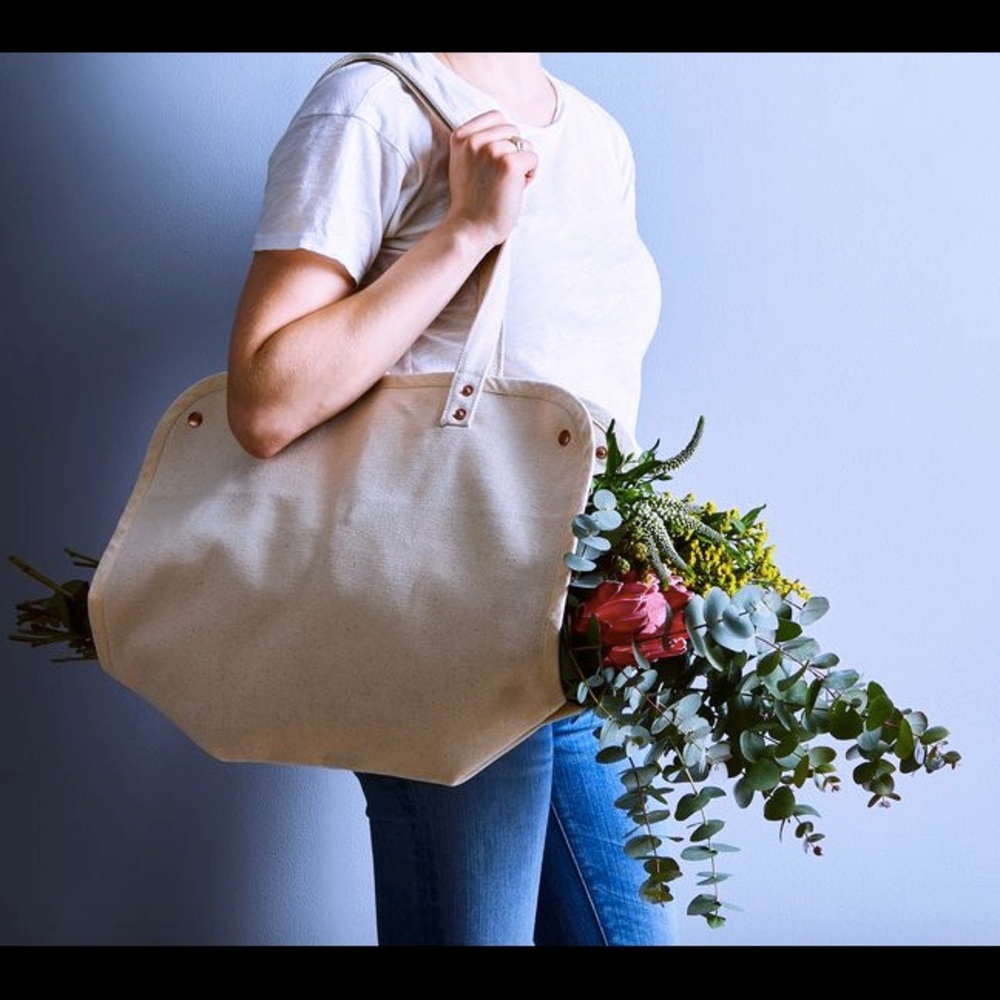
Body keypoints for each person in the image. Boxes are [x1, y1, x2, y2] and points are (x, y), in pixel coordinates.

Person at [225, 52, 676, 946]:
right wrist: (464, 233)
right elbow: (266, 402)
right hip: (441, 623)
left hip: (567, 640)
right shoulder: (371, 106)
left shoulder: (596, 135)